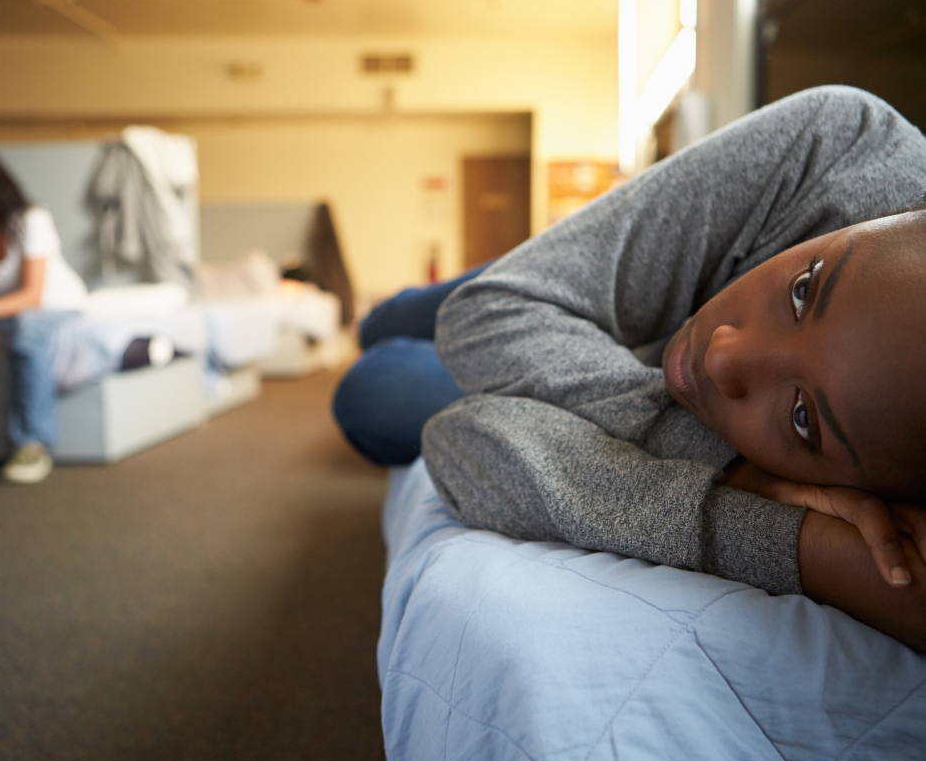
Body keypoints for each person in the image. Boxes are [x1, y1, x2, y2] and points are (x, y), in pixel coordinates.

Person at [334, 87, 926, 649]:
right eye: (802, 290)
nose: (722, 352)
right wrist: (737, 476)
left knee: (375, 390)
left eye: (802, 418)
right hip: (572, 306)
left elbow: (462, 435)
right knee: (391, 320)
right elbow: (493, 312)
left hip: (587, 352)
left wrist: (799, 546)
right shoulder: (842, 142)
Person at [0, 149, 88, 484]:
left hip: (53, 306)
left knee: (26, 333)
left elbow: (33, 296)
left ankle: (32, 442)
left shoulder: (30, 219)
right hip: (1, 312)